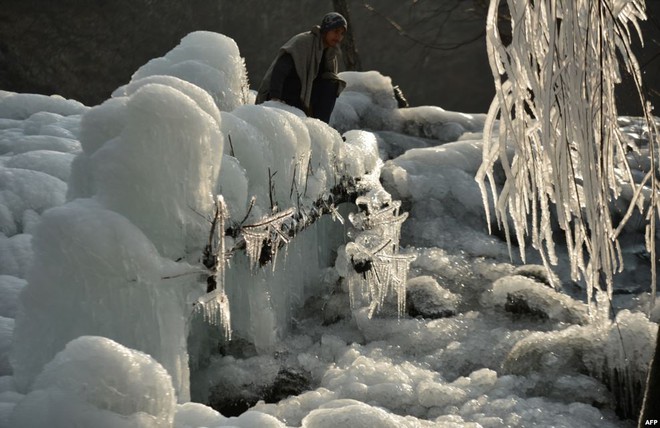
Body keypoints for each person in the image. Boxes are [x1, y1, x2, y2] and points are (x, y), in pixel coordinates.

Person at [256, 12, 348, 123]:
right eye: (336, 31)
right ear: (326, 30)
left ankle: (322, 127)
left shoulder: (330, 55)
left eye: (342, 33)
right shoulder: (304, 42)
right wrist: (275, 98)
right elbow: (281, 68)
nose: (338, 37)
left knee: (332, 84)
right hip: (283, 93)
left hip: (302, 98)